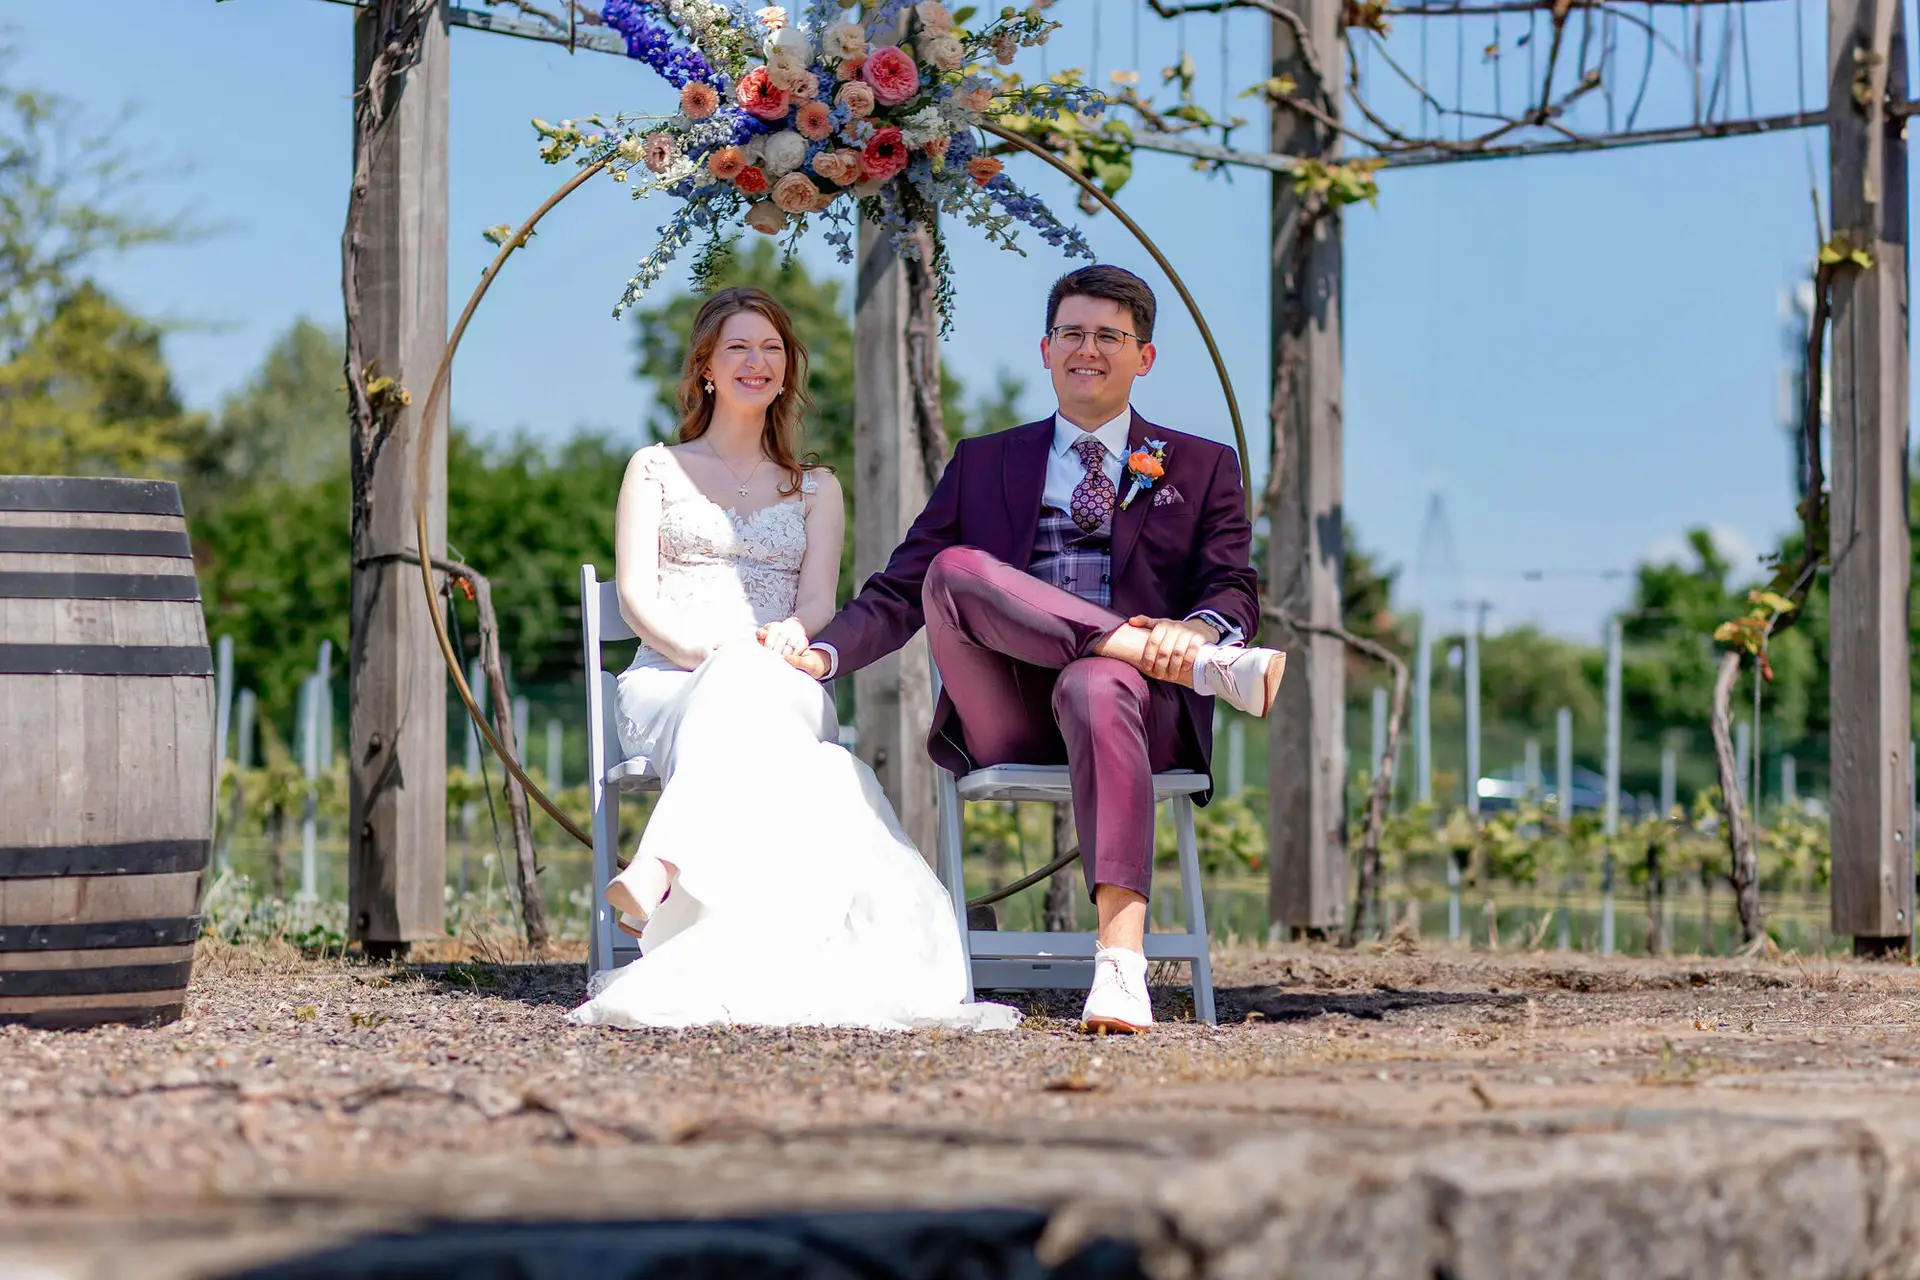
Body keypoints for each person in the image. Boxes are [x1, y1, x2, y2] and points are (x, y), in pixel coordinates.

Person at [787, 265, 1286, 1035]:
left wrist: (1202, 631)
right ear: (1046, 350)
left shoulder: (1200, 463)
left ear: (1144, 357)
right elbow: (901, 590)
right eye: (1072, 334)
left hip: (1137, 711)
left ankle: (1120, 964)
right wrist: (822, 654)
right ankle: (1141, 651)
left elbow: (1232, 587)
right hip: (1009, 709)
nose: (1089, 349)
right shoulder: (985, 461)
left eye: (1110, 336)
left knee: (1097, 683)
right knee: (953, 570)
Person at [568, 286, 1016, 1032]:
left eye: (772, 349)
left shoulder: (816, 488)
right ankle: (690, 888)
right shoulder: (653, 468)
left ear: (787, 371)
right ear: (705, 366)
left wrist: (785, 639)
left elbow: (815, 606)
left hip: (781, 681)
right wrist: (710, 655)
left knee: (754, 683)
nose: (757, 362)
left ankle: (663, 864)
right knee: (800, 748)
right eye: (739, 347)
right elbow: (639, 599)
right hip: (670, 681)